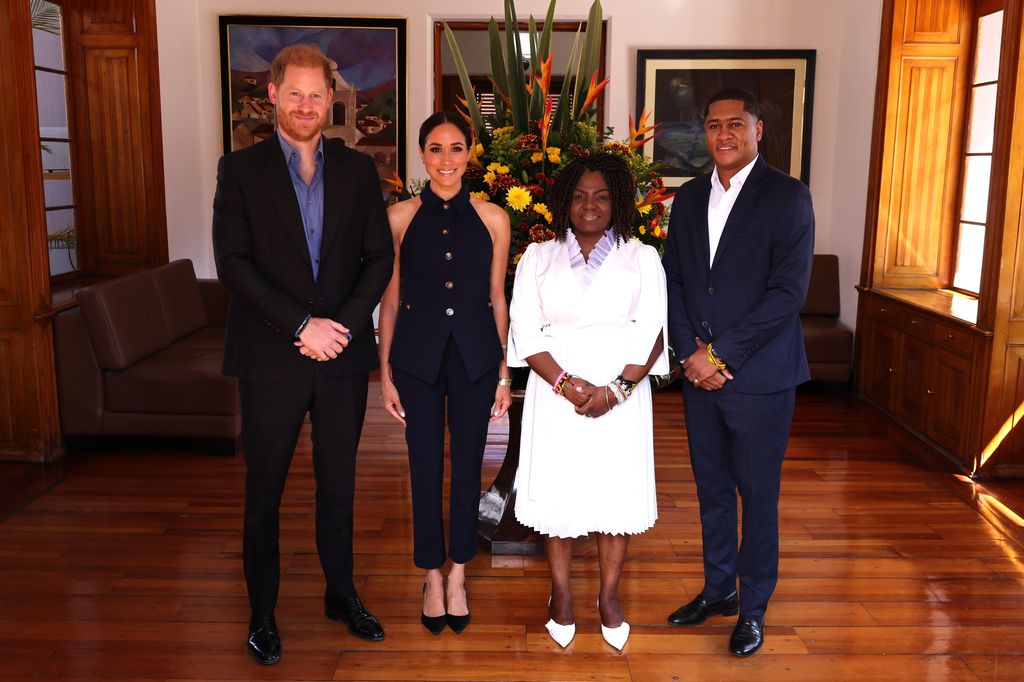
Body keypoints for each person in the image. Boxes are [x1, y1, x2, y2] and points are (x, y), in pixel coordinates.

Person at [212, 44, 394, 665]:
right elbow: (232, 264)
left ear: (330, 100)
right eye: (296, 94)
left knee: (338, 485)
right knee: (264, 491)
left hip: (340, 353)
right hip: (270, 356)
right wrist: (300, 326)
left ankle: (340, 594)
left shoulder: (357, 170)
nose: (307, 105)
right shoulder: (239, 171)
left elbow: (379, 259)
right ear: (273, 95)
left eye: (317, 95)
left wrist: (336, 326)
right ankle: (262, 614)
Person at [661, 87, 814, 657]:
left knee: (758, 495)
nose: (724, 134)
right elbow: (673, 278)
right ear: (705, 133)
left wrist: (718, 356)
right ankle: (718, 589)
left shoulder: (788, 197)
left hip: (759, 379)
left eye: (736, 124)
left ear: (757, 130)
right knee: (712, 493)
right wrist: (687, 353)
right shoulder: (690, 197)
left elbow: (787, 293)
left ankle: (753, 608)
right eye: (714, 125)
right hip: (699, 377)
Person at [508, 152, 668, 651]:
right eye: (578, 196)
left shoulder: (642, 257)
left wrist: (615, 390)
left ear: (617, 200)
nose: (589, 206)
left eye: (601, 196)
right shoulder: (538, 257)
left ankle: (609, 597)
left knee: (612, 498)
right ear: (562, 203)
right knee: (560, 498)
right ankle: (560, 596)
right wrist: (567, 385)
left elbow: (654, 331)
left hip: (621, 391)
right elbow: (525, 326)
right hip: (557, 390)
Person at [377, 112, 512, 635]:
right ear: (421, 155)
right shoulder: (399, 218)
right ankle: (431, 574)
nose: (447, 160)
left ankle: (459, 572)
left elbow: (498, 298)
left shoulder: (495, 218)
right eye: (436, 149)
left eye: (457, 148)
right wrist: (386, 372)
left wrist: (502, 369)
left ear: (470, 152)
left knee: (468, 468)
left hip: (477, 356)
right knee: (424, 466)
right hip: (416, 358)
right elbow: (390, 302)